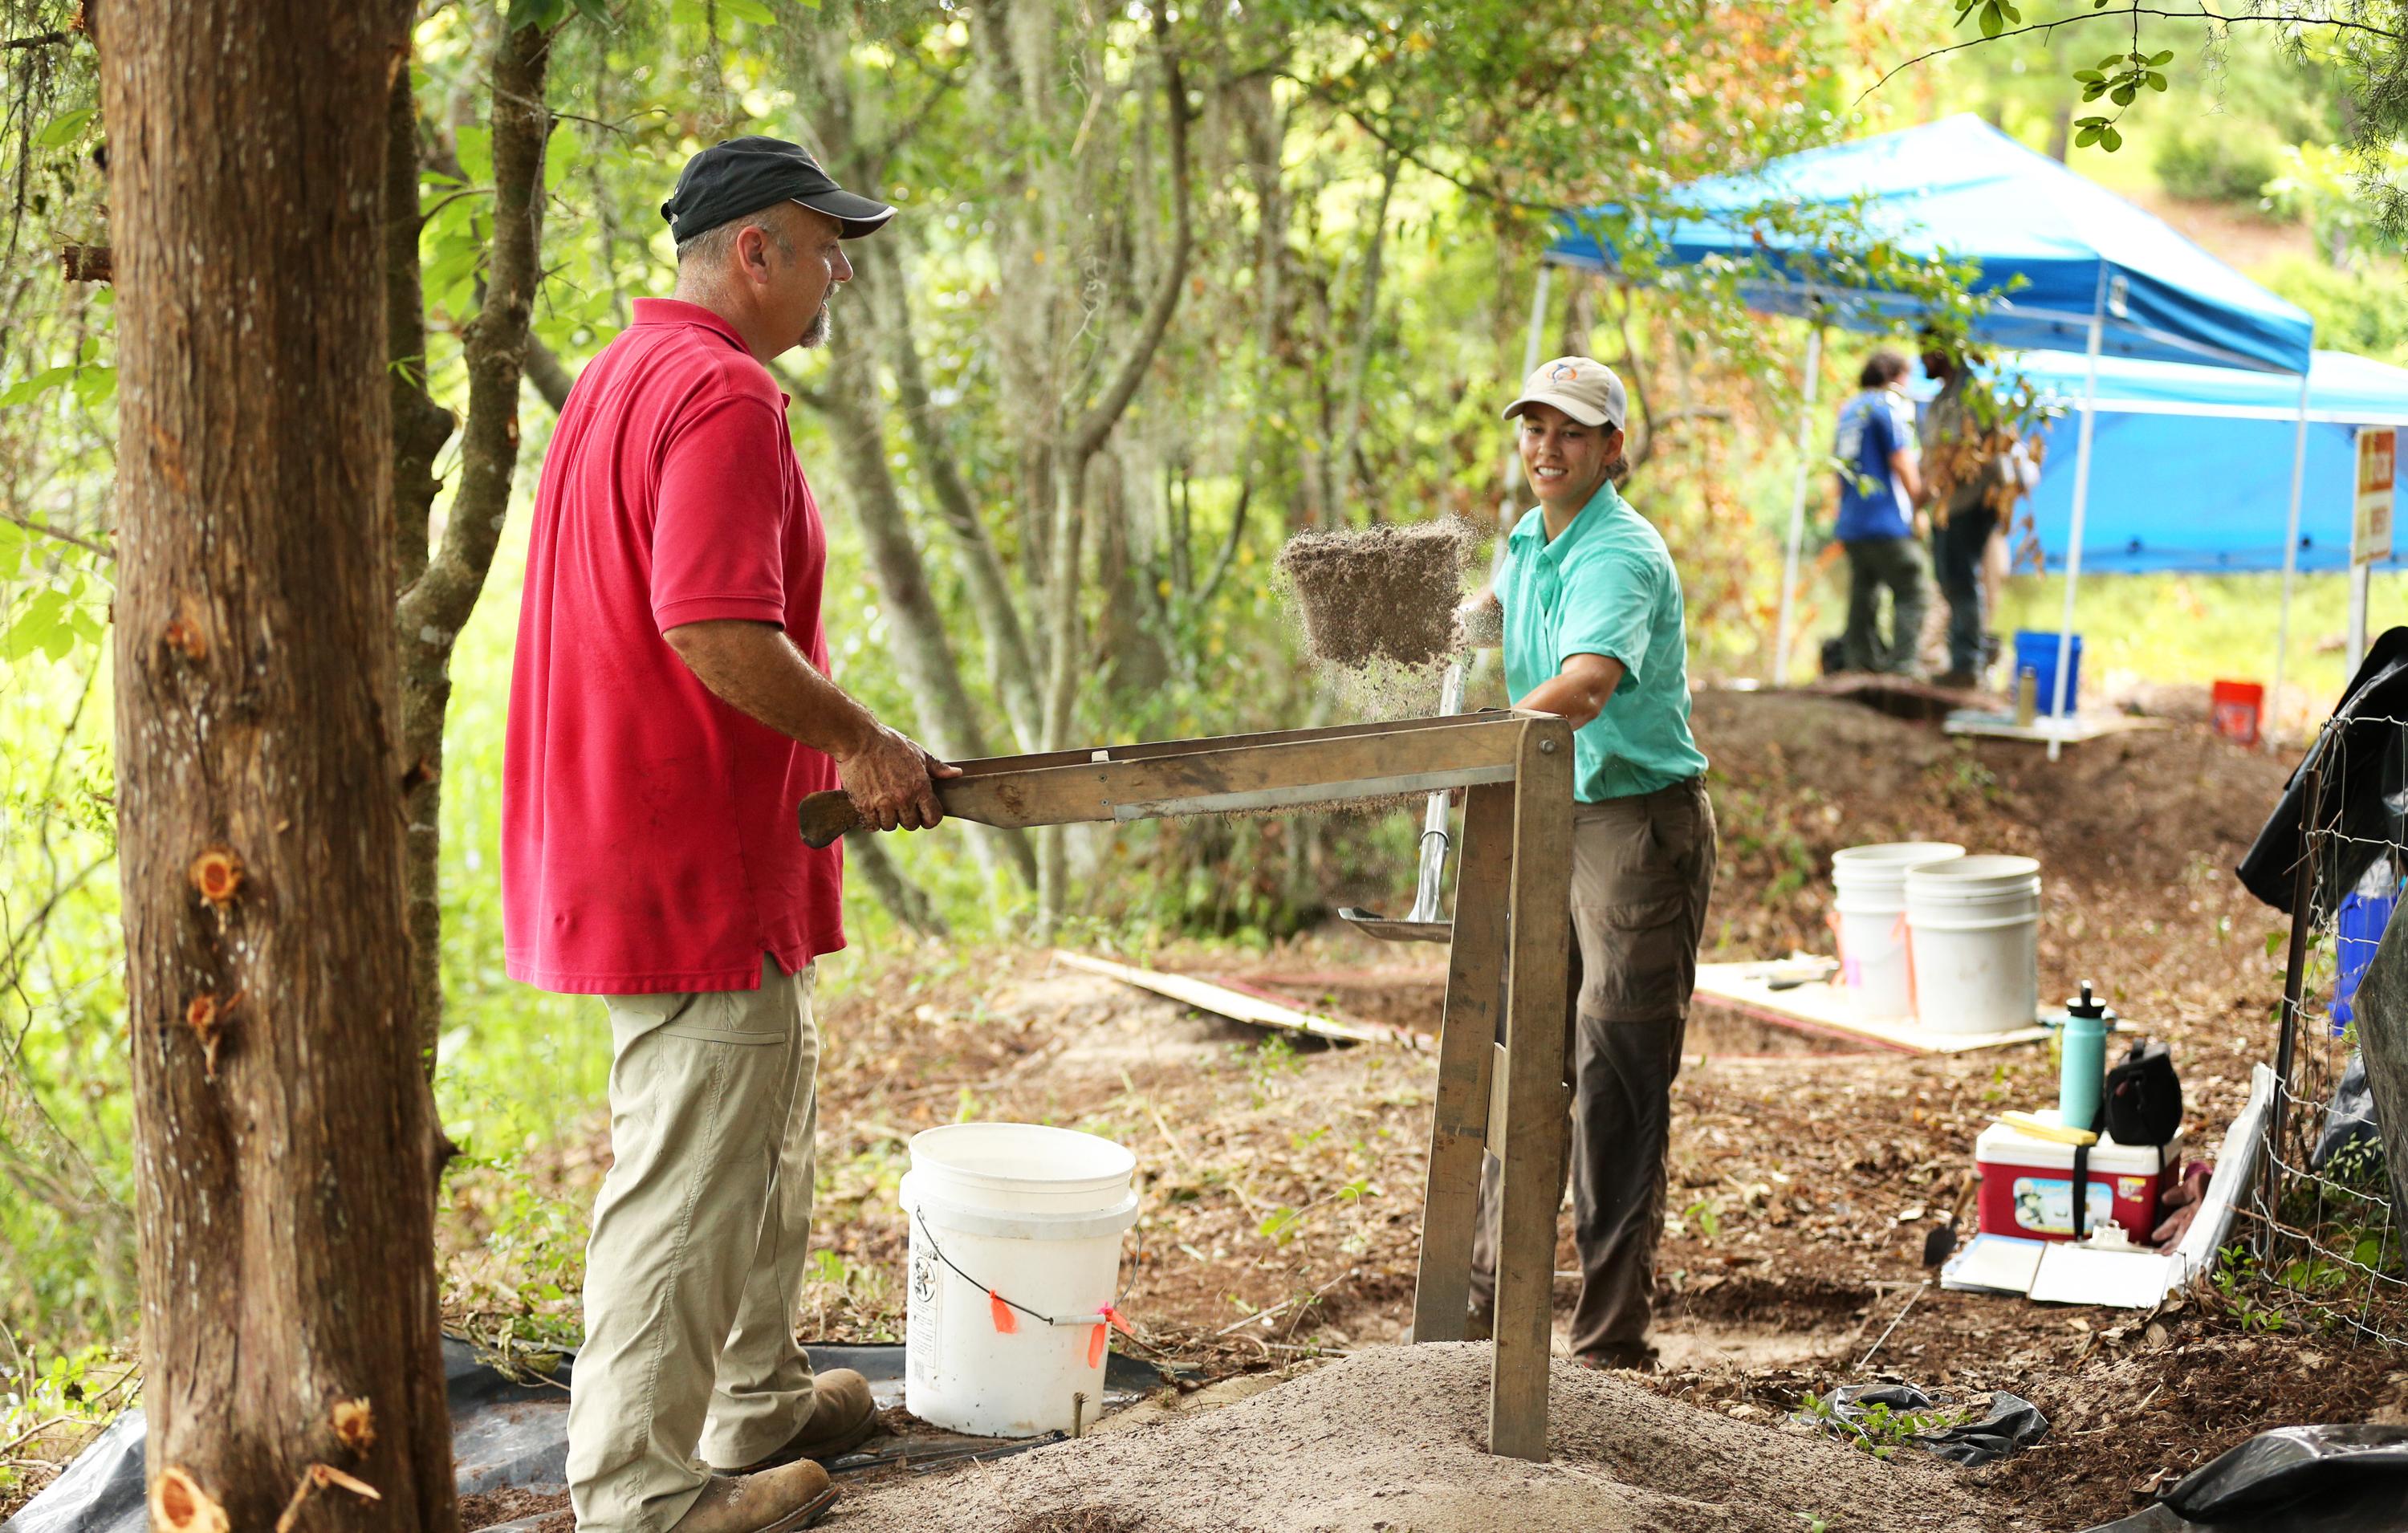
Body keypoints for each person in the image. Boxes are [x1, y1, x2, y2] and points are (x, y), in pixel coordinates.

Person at [502, 136, 959, 1533]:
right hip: (675, 851)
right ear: (754, 249)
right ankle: (639, 1493)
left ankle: (749, 1396)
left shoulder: (621, 375)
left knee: (764, 1112)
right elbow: (708, 624)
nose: (838, 281)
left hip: (666, 840)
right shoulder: (720, 394)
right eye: (827, 251)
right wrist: (861, 739)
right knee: (691, 1170)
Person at [1457, 356, 1718, 1372]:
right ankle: (1478, 1325)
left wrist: (1479, 733)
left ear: (1613, 448)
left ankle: (1610, 1342)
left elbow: (1590, 682)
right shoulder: (1533, 538)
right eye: (1533, 427)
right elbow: (1496, 608)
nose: (1545, 447)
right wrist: (1454, 623)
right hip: (1552, 819)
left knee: (1616, 1077)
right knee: (1522, 1059)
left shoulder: (1621, 551)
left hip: (1633, 831)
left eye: (1570, 431)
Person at [1832, 350, 1928, 676]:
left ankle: (1860, 665)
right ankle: (1902, 668)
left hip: (1852, 521)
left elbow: (1838, 472)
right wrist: (1920, 502)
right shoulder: (1887, 405)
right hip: (1884, 520)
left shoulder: (1849, 412)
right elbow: (1900, 458)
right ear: (1894, 376)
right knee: (1912, 586)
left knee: (1864, 594)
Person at [1918, 340, 2000, 689]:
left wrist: (1922, 494)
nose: (1920, 358)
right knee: (1949, 577)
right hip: (1947, 505)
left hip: (1971, 501)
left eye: (1924, 350)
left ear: (1941, 352)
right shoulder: (1942, 397)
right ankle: (1962, 661)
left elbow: (1956, 452)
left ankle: (1968, 665)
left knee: (1962, 578)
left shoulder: (1971, 393)